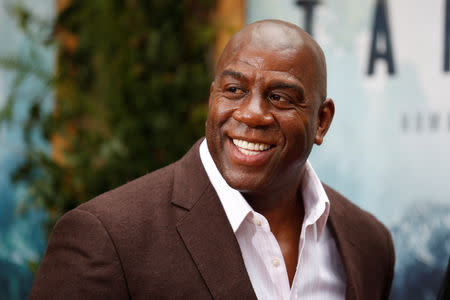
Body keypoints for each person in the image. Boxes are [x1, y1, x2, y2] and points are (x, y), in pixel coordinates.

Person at [30, 20, 395, 299]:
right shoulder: (106, 238)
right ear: (212, 98)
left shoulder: (367, 244)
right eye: (234, 90)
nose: (252, 114)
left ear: (322, 121)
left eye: (280, 97)